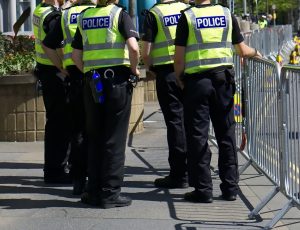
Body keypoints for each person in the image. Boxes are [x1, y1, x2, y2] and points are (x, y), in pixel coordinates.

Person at [174, 0, 262, 203]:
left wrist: (180, 79)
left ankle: (203, 190)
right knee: (226, 134)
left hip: (197, 83)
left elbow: (179, 58)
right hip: (223, 81)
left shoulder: (187, 17)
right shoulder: (226, 14)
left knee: (198, 137)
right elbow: (241, 49)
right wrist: (256, 52)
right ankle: (230, 188)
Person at [71, 0, 140, 208]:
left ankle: (93, 191)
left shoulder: (85, 17)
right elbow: (134, 48)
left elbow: (75, 55)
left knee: (95, 137)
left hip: (92, 83)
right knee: (115, 138)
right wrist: (134, 70)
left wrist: (89, 72)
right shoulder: (119, 14)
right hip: (117, 82)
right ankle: (110, 193)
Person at [42, 0, 96, 195]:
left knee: (78, 129)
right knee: (97, 129)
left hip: (74, 78)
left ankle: (78, 178)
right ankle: (96, 178)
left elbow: (48, 45)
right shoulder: (96, 13)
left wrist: (62, 68)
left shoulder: (65, 15)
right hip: (95, 77)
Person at [141, 0, 189, 189]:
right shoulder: (186, 10)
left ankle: (179, 174)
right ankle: (197, 170)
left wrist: (150, 68)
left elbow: (146, 51)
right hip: (188, 71)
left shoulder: (155, 14)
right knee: (192, 122)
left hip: (167, 74)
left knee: (175, 123)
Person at [33, 0, 72, 184]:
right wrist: (65, 67)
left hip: (45, 71)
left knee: (55, 122)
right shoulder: (52, 16)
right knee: (60, 124)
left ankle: (54, 168)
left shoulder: (40, 10)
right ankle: (55, 170)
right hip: (56, 73)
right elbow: (58, 46)